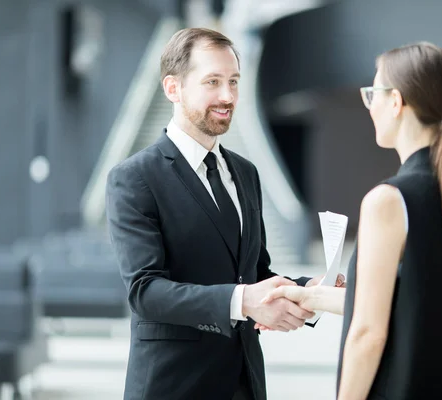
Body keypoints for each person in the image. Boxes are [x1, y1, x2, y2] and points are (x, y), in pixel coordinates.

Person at [105, 28, 337, 400]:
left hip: (243, 383)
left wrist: (307, 291)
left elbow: (253, 273)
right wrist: (244, 301)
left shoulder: (246, 172)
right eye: (212, 81)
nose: (227, 96)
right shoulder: (135, 178)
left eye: (233, 81)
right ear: (173, 88)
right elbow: (145, 291)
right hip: (173, 385)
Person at [260, 42, 442, 400]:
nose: (369, 106)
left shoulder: (387, 200)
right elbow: (407, 304)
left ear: (396, 101)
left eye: (373, 94)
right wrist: (309, 296)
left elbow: (368, 332)